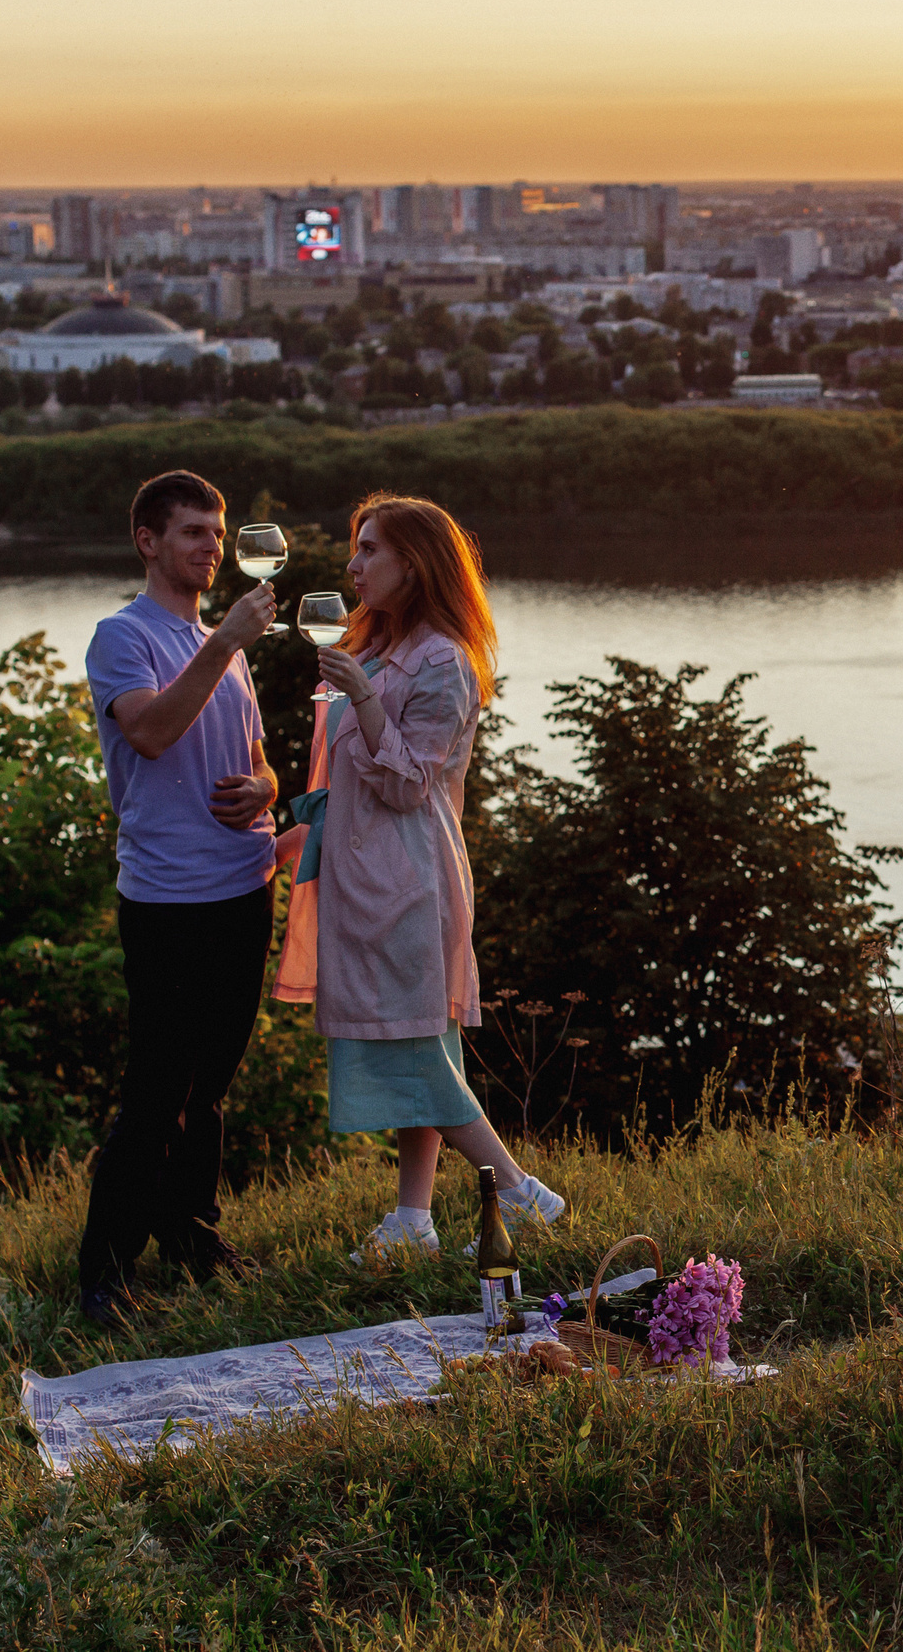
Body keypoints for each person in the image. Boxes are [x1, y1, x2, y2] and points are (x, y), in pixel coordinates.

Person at [272, 493, 563, 1261]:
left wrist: (363, 696)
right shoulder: (375, 647)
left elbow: (408, 786)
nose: (353, 564)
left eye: (370, 550)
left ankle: (520, 1192)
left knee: (414, 1050)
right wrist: (298, 832)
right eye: (355, 548)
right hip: (364, 868)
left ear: (416, 562)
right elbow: (350, 779)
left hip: (407, 879)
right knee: (418, 1042)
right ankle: (413, 1216)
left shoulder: (442, 661)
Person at [75, 470, 281, 1326]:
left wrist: (265, 791)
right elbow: (153, 734)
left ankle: (193, 1235)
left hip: (246, 883)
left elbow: (261, 756)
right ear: (148, 542)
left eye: (218, 531)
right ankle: (104, 1273)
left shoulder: (214, 645)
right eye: (193, 531)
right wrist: (225, 643)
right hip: (168, 899)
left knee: (212, 1084)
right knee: (160, 1087)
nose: (211, 547)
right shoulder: (123, 637)